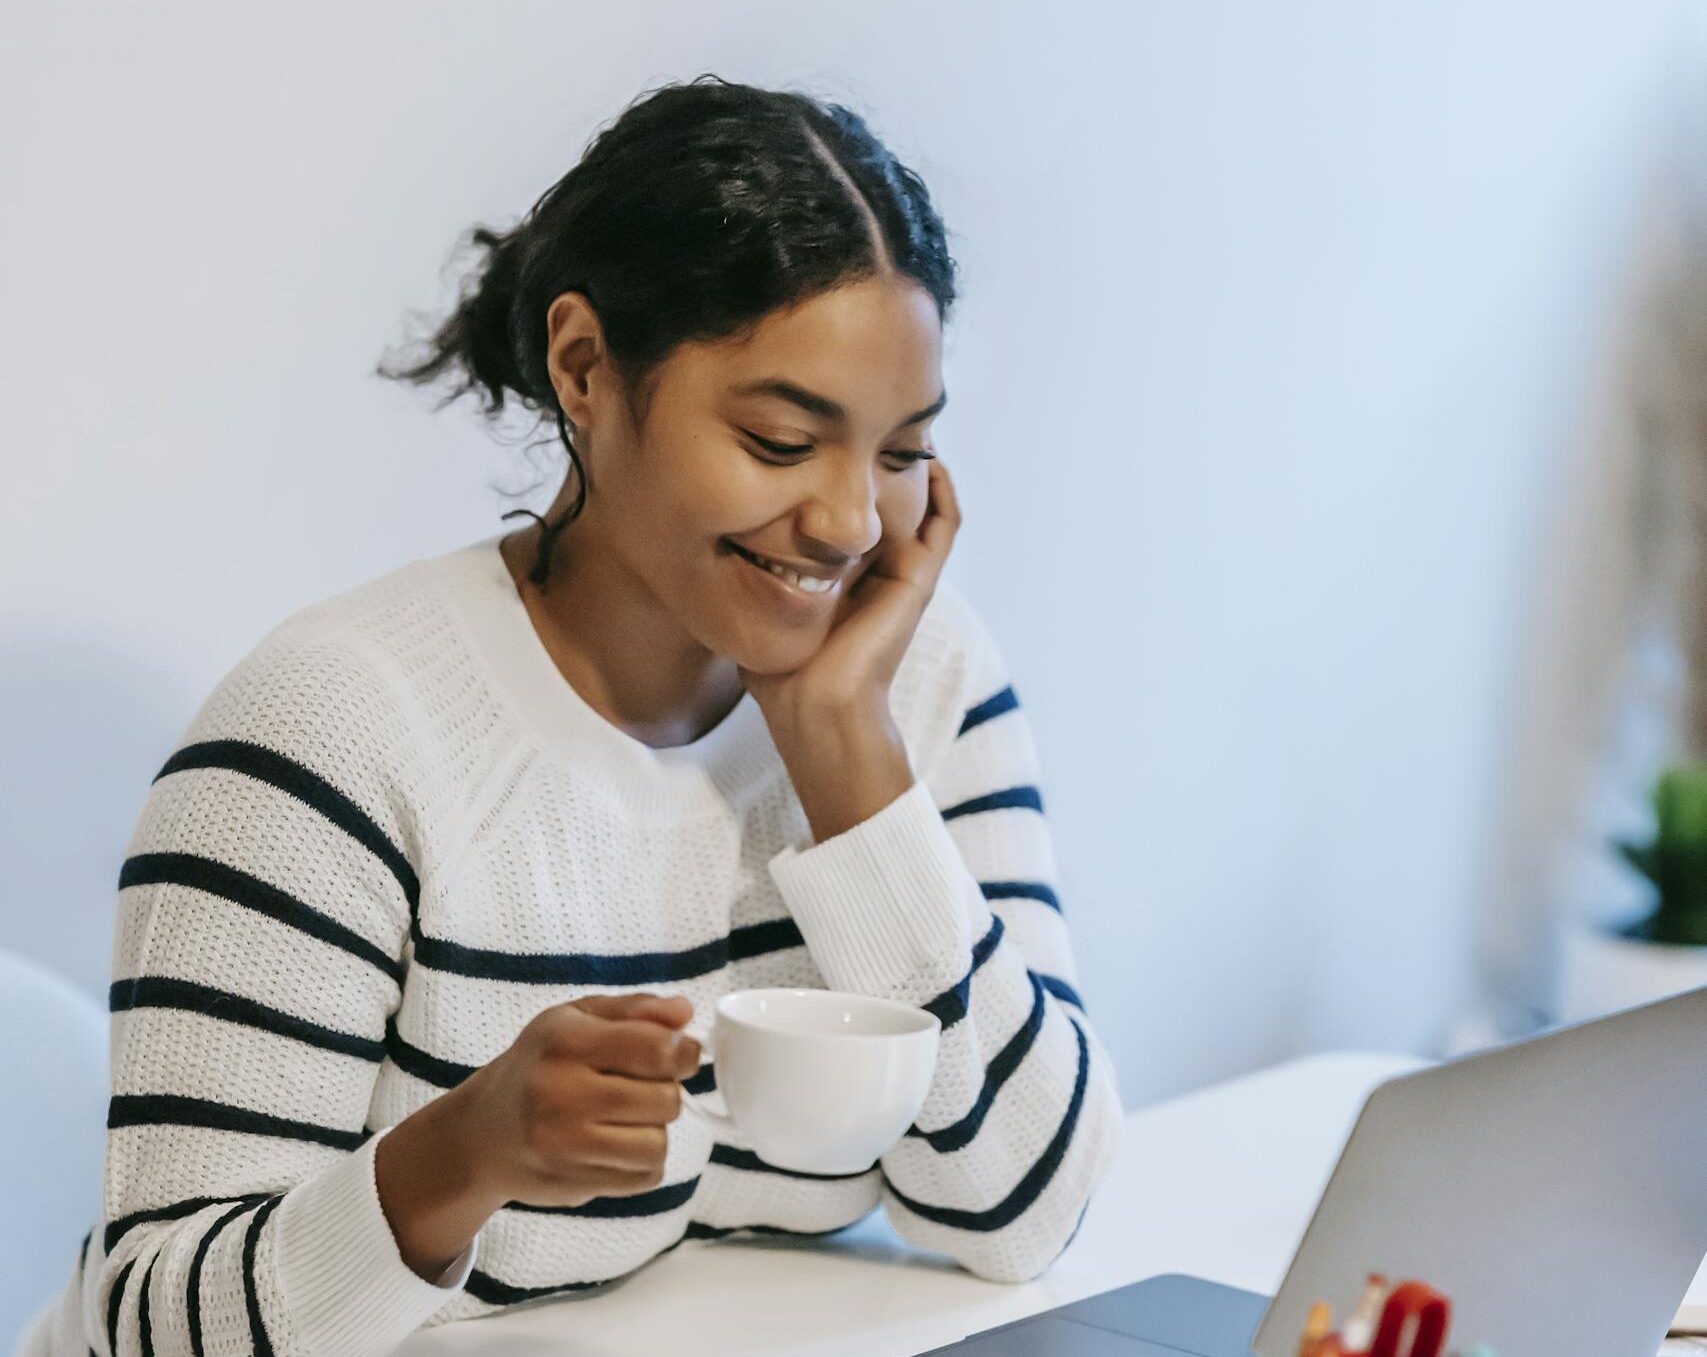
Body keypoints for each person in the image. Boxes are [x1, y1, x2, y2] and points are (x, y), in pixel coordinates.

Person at [21, 74, 1123, 1357]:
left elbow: (1028, 1211)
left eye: (897, 453)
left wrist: (844, 755)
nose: (850, 524)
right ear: (585, 367)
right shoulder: (332, 734)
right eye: (779, 441)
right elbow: (153, 1328)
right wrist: (455, 1159)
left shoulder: (911, 681)